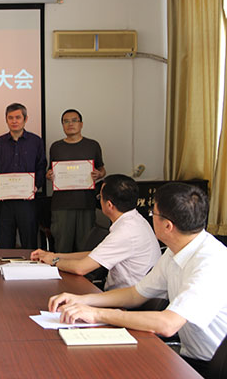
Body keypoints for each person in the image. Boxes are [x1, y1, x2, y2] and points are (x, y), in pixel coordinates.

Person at [49, 183, 227, 377]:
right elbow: (136, 294)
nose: (151, 218)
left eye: (153, 213)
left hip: (210, 368)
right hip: (187, 358)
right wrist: (83, 300)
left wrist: (97, 314)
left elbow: (168, 324)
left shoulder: (210, 263)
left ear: (168, 226)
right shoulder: (175, 250)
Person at [31, 174, 161, 290]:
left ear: (109, 205)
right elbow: (95, 255)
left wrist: (54, 261)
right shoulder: (136, 220)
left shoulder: (126, 232)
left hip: (127, 302)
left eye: (100, 197)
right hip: (125, 293)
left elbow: (80, 268)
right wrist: (54, 255)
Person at [47, 109, 106, 253]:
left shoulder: (92, 145)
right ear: (62, 125)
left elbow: (102, 169)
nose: (70, 124)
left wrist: (99, 174)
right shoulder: (56, 147)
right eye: (66, 121)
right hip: (61, 205)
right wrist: (49, 175)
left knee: (85, 246)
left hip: (86, 203)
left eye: (74, 120)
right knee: (62, 247)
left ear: (81, 124)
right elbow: (50, 171)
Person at [0, 103, 46, 248]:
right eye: (10, 118)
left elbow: (41, 166)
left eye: (18, 117)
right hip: (5, 202)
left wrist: (36, 185)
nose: (14, 121)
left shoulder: (36, 141)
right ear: (6, 120)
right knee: (5, 243)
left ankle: (29, 264)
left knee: (29, 242)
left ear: (25, 119)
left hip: (27, 201)